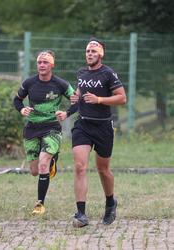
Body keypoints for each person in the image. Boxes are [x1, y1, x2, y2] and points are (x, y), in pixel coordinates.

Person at [70, 38, 127, 227]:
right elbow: (79, 95)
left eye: (94, 51)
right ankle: (81, 214)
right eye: (87, 51)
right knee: (79, 166)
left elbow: (122, 98)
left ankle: (110, 203)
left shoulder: (108, 73)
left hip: (103, 126)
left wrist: (99, 100)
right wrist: (74, 100)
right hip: (83, 125)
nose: (90, 54)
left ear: (101, 54)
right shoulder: (81, 72)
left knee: (103, 169)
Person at [13, 50, 76, 215]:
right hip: (32, 128)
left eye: (45, 62)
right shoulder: (29, 83)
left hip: (52, 128)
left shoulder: (61, 84)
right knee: (35, 171)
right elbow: (17, 100)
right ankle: (52, 161)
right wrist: (22, 110)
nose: (42, 65)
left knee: (43, 164)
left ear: (52, 65)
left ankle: (40, 204)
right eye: (39, 62)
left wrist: (67, 113)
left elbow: (78, 100)